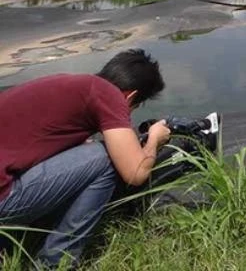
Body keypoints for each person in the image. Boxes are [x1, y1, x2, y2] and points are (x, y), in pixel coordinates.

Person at [0, 50, 170, 268]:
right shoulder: (109, 94)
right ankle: (55, 263)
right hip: (4, 198)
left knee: (91, 153)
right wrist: (154, 139)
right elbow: (135, 172)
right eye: (133, 108)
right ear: (130, 96)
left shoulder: (74, 85)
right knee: (106, 159)